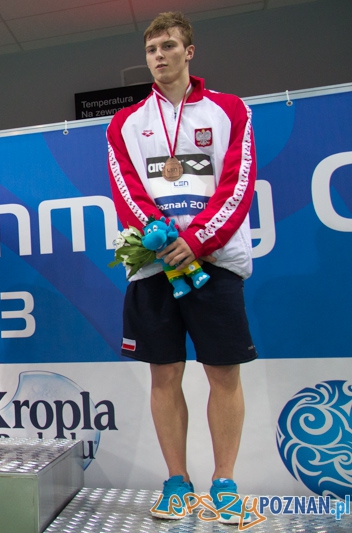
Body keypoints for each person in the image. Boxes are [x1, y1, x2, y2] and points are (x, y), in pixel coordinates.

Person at [106, 12, 257, 524]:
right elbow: (127, 189)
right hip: (153, 266)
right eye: (151, 49)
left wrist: (195, 241)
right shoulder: (124, 123)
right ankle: (177, 483)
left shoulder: (230, 110)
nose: (159, 56)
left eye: (169, 46)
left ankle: (225, 484)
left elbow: (236, 186)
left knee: (223, 374)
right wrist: (162, 238)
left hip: (214, 262)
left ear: (189, 51)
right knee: (164, 374)